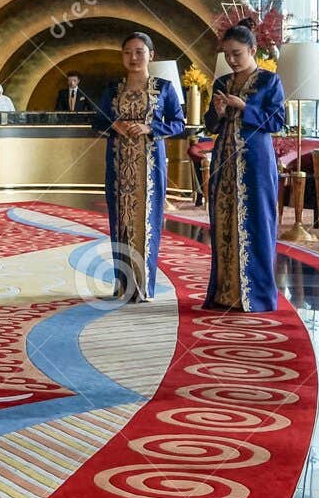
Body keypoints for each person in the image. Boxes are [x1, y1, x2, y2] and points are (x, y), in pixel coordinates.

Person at [93, 32, 187, 302]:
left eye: (139, 52)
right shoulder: (113, 90)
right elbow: (97, 120)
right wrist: (115, 125)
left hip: (151, 166)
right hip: (117, 164)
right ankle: (123, 285)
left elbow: (179, 123)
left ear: (151, 55)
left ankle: (144, 286)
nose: (133, 58)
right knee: (119, 220)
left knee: (146, 221)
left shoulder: (164, 88)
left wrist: (150, 127)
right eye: (127, 52)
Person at [204, 23, 286, 312]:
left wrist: (243, 107)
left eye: (237, 53)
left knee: (257, 222)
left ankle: (257, 296)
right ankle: (226, 292)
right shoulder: (221, 83)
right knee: (224, 221)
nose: (231, 60)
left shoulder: (269, 81)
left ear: (252, 50)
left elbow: (276, 122)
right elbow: (210, 126)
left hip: (256, 164)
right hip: (224, 163)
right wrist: (218, 112)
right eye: (227, 55)